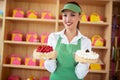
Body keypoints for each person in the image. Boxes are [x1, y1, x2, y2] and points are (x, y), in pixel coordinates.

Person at [44, 1, 92, 80]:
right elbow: (51, 69)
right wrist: (49, 58)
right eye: (65, 15)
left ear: (79, 17)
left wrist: (84, 62)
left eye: (72, 15)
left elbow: (80, 75)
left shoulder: (85, 41)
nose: (67, 19)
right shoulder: (54, 37)